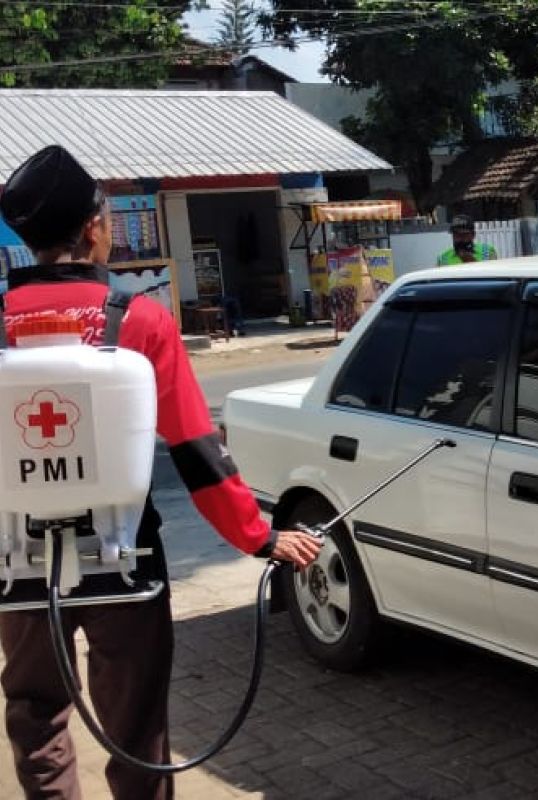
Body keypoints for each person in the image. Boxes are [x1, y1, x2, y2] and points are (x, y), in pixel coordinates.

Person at [0, 145, 321, 800]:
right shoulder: (139, 320)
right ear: (94, 228)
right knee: (137, 725)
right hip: (125, 561)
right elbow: (198, 451)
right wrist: (257, 536)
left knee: (36, 716)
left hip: (17, 563)